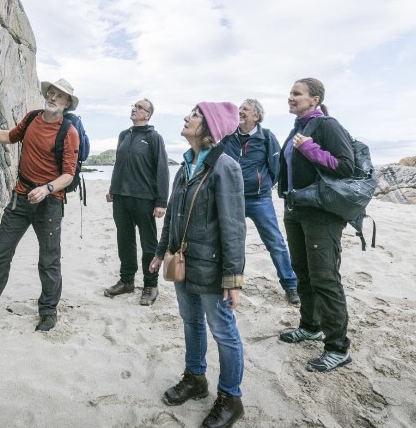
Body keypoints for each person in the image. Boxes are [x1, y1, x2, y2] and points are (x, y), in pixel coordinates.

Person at [149, 102, 246, 428]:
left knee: (223, 332)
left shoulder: (225, 167)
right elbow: (174, 215)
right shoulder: (185, 165)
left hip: (211, 266)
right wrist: (162, 251)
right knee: (191, 323)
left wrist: (232, 278)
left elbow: (233, 226)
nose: (186, 118)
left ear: (208, 127)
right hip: (182, 260)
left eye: (193, 115)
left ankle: (231, 398)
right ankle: (195, 378)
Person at [0, 78, 80, 333]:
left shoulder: (69, 132)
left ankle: (48, 311)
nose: (53, 97)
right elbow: (9, 136)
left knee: (49, 260)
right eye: (52, 92)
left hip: (50, 203)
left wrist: (46, 189)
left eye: (60, 96)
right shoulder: (32, 118)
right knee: (0, 254)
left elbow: (68, 174)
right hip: (20, 197)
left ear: (67, 103)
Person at [277, 78, 355, 372]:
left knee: (325, 278)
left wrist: (310, 149)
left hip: (321, 213)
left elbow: (347, 167)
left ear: (315, 99)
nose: (290, 97)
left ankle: (338, 348)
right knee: (304, 274)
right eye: (290, 93)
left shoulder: (327, 126)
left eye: (296, 93)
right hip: (295, 209)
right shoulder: (297, 128)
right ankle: (310, 326)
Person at [223, 98, 300, 305]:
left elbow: (275, 168)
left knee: (275, 242)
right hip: (231, 200)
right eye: (239, 109)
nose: (240, 112)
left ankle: (291, 286)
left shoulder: (266, 137)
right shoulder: (227, 137)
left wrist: (262, 185)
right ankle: (230, 285)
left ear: (256, 116)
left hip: (259, 200)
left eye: (245, 109)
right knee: (231, 244)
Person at [104, 99, 170, 305]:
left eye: (140, 107)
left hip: (145, 199)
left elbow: (162, 170)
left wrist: (161, 202)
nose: (135, 108)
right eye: (134, 105)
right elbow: (119, 164)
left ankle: (150, 285)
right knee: (124, 241)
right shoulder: (124, 135)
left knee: (149, 244)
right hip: (121, 198)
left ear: (148, 115)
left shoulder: (154, 138)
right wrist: (113, 189)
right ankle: (127, 282)